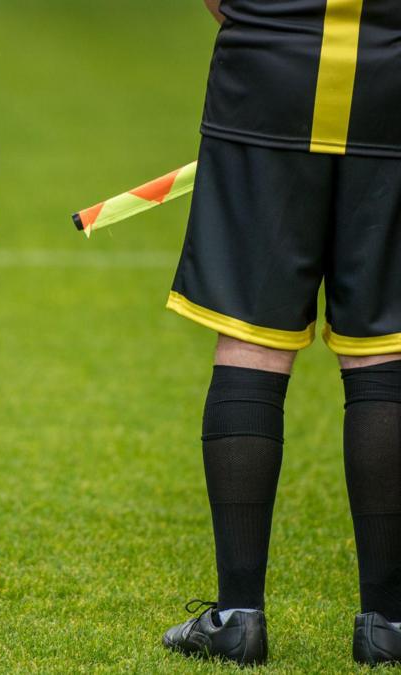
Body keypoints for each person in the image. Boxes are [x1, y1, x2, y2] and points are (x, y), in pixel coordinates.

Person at [160, 0, 401, 666]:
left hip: (267, 67)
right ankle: (388, 621)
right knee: (385, 345)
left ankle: (237, 617)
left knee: (252, 339)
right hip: (391, 71)